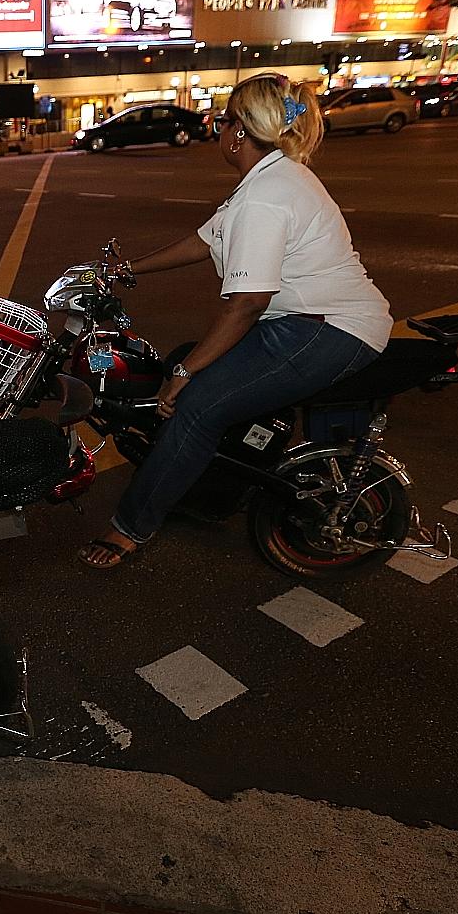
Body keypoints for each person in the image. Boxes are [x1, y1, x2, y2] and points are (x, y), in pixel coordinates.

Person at [80, 73, 393, 569]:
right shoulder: (272, 178)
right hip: (303, 322)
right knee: (187, 360)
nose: (218, 129)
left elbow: (246, 303)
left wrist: (184, 380)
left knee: (196, 406)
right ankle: (200, 477)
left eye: (223, 120)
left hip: (326, 329)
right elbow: (204, 241)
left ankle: (131, 527)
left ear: (240, 133)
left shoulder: (267, 196)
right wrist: (125, 269)